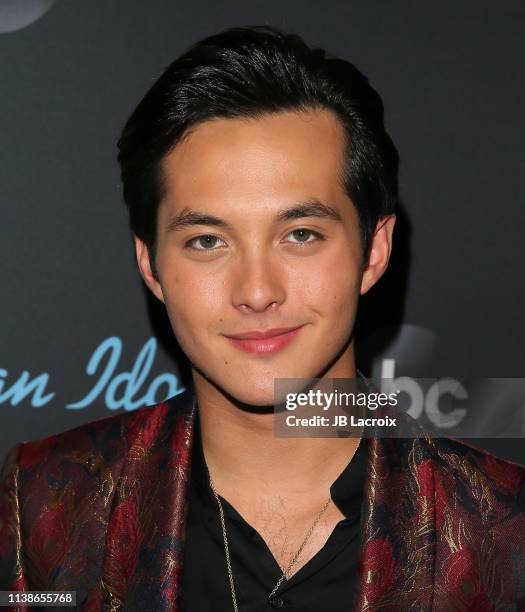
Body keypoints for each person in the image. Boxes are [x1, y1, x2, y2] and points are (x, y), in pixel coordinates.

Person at [1, 25, 524, 612]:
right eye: (206, 241)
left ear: (373, 252)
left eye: (300, 235)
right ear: (150, 264)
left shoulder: (503, 533)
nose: (256, 292)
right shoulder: (48, 503)